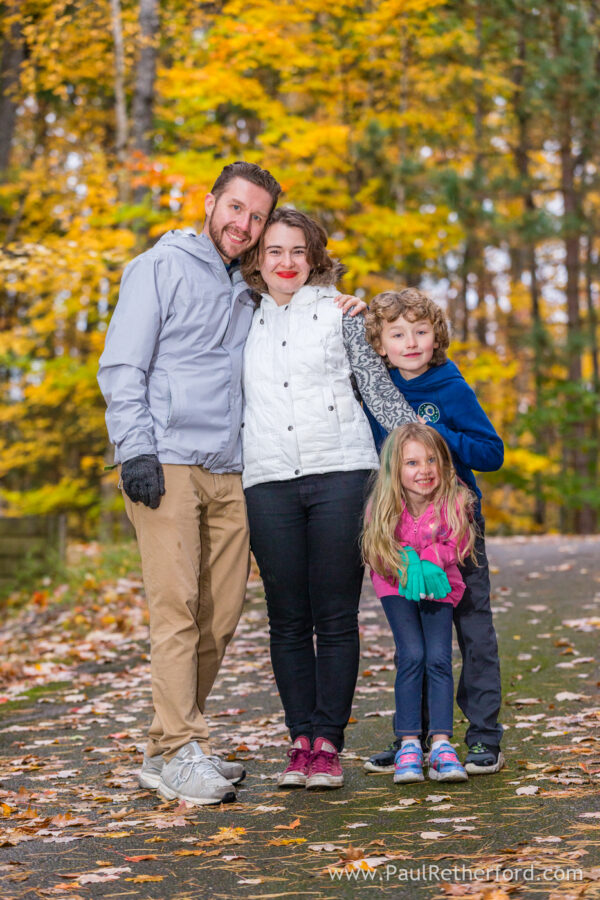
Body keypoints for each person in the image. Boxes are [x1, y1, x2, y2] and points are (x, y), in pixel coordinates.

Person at [97, 161, 283, 806]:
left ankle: (170, 744)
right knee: (176, 608)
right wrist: (134, 449)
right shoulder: (160, 265)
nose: (245, 224)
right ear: (210, 203)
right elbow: (123, 362)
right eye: (236, 209)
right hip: (167, 458)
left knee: (221, 614)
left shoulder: (252, 285)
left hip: (230, 465)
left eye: (257, 216)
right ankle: (177, 748)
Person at [239, 208, 418, 791]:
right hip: (267, 480)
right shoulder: (240, 317)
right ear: (257, 261)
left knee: (336, 617)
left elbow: (379, 391)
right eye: (274, 252)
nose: (286, 263)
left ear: (314, 257)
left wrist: (427, 455)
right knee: (288, 619)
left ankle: (329, 743)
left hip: (342, 474)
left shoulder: (343, 315)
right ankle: (300, 741)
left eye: (297, 251)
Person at [362, 288, 505, 775]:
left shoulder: (451, 388)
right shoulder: (376, 391)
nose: (410, 342)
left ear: (436, 336)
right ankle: (414, 738)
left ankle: (484, 736)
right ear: (380, 344)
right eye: (397, 333)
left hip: (455, 528)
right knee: (418, 640)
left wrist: (445, 439)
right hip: (400, 533)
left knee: (472, 628)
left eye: (421, 331)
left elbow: (492, 453)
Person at [362, 423, 477, 782]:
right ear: (395, 469)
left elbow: (459, 542)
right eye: (412, 463)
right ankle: (409, 742)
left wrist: (430, 558)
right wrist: (405, 560)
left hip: (440, 585)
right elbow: (376, 548)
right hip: (396, 585)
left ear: (443, 463)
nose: (423, 470)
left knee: (439, 658)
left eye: (430, 460)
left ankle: (441, 743)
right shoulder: (383, 505)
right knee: (411, 654)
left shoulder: (454, 501)